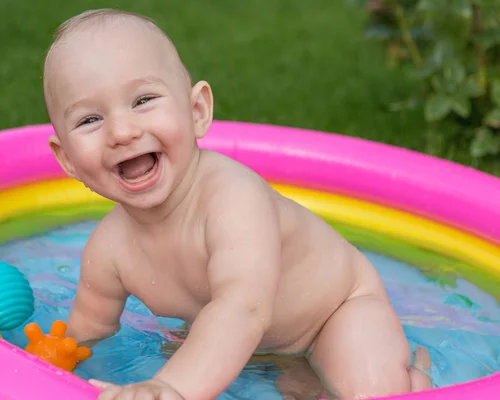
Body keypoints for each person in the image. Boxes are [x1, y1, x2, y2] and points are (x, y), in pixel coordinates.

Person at [42, 9, 432, 400]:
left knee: (372, 392)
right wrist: (50, 361)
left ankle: (415, 385)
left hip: (334, 314)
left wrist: (169, 388)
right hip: (258, 342)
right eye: (90, 120)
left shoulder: (232, 198)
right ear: (68, 160)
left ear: (197, 112)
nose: (122, 132)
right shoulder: (109, 251)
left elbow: (243, 307)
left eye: (143, 100)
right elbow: (86, 334)